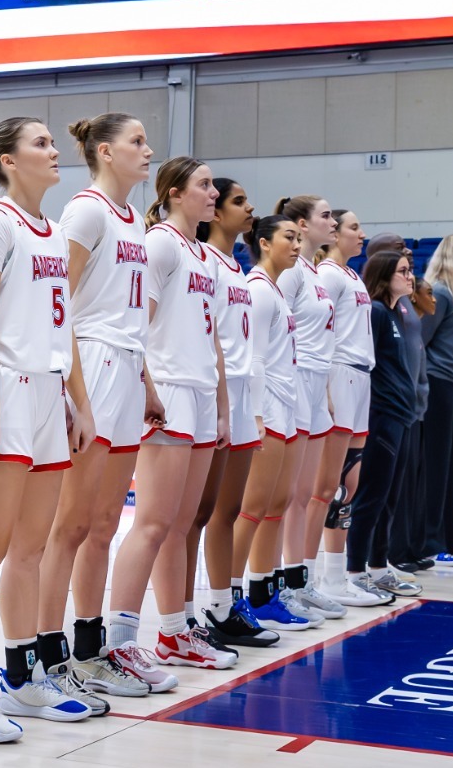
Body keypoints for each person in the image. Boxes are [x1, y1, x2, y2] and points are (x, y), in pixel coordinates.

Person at [0, 117, 99, 740]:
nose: (55, 151)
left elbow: (65, 331)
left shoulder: (55, 234)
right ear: (7, 161)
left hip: (48, 394)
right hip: (3, 388)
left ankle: (21, 677)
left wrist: (78, 403)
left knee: (30, 548)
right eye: (40, 143)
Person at [33, 112, 163, 701]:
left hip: (127, 366)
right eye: (137, 141)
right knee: (70, 525)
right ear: (105, 152)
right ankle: (43, 653)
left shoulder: (135, 218)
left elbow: (131, 316)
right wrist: (71, 387)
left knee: (105, 525)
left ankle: (91, 649)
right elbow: (58, 303)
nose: (148, 149)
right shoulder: (86, 210)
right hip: (91, 363)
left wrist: (148, 382)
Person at [96, 157, 234, 680]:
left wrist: (221, 407)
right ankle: (120, 642)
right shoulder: (160, 243)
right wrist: (149, 388)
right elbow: (139, 323)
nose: (214, 192)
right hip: (169, 390)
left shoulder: (203, 253)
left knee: (181, 523)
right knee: (153, 523)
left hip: (199, 393)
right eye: (204, 184)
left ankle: (174, 631)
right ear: (175, 193)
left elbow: (213, 337)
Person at [193, 180, 282, 645]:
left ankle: (224, 604)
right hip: (214, 394)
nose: (250, 208)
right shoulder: (203, 259)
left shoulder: (235, 265)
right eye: (239, 201)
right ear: (215, 212)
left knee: (226, 510)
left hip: (243, 396)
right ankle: (197, 611)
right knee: (202, 512)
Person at [237, 216, 314, 632]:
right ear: (264, 243)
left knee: (275, 506)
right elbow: (254, 359)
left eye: (300, 239)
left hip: (285, 404)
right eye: (290, 237)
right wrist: (256, 415)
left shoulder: (277, 293)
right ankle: (229, 600)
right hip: (265, 407)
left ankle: (264, 593)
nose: (297, 245)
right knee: (251, 509)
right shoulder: (258, 291)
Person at [271, 196, 344, 623]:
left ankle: (300, 579)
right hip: (294, 381)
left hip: (318, 385)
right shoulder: (291, 272)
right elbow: (277, 330)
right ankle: (278, 583)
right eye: (326, 215)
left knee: (308, 493)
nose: (332, 222)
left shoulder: (314, 272)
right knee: (289, 495)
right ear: (302, 224)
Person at [313, 211, 384, 609]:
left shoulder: (353, 276)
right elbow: (320, 334)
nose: (363, 233)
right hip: (339, 373)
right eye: (356, 227)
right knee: (332, 485)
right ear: (335, 233)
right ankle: (322, 576)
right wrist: (325, 386)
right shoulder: (328, 274)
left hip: (361, 375)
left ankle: (337, 576)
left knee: (350, 485)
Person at [343, 249, 423, 602]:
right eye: (403, 271)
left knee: (389, 498)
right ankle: (355, 570)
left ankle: (378, 565)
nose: (410, 277)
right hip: (381, 416)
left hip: (400, 415)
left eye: (410, 270)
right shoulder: (375, 312)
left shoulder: (394, 313)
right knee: (371, 496)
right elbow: (367, 368)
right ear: (383, 275)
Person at [416, 236, 453, 567]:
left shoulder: (452, 294)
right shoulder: (437, 291)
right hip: (437, 384)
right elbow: (420, 341)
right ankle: (431, 540)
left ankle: (451, 540)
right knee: (437, 466)